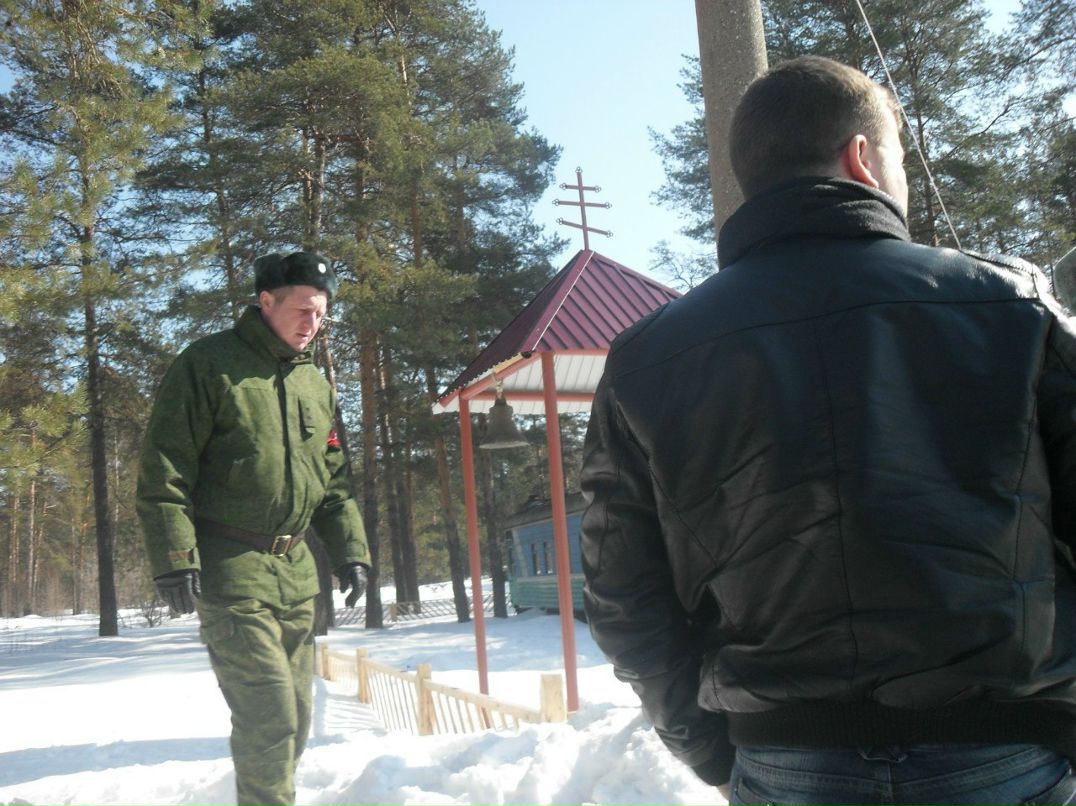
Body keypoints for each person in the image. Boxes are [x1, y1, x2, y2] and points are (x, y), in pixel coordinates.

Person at [580, 56, 1076, 806]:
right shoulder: (1012, 305)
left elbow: (623, 596)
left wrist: (714, 748)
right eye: (900, 158)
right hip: (1002, 752)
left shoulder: (647, 358)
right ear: (862, 157)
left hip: (786, 761)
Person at [137, 251, 370, 806]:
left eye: (321, 314)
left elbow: (333, 483)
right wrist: (175, 557)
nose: (312, 324)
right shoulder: (208, 365)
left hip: (297, 576)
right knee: (269, 716)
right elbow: (165, 468)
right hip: (231, 570)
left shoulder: (315, 384)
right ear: (266, 302)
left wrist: (351, 553)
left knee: (298, 716)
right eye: (302, 310)